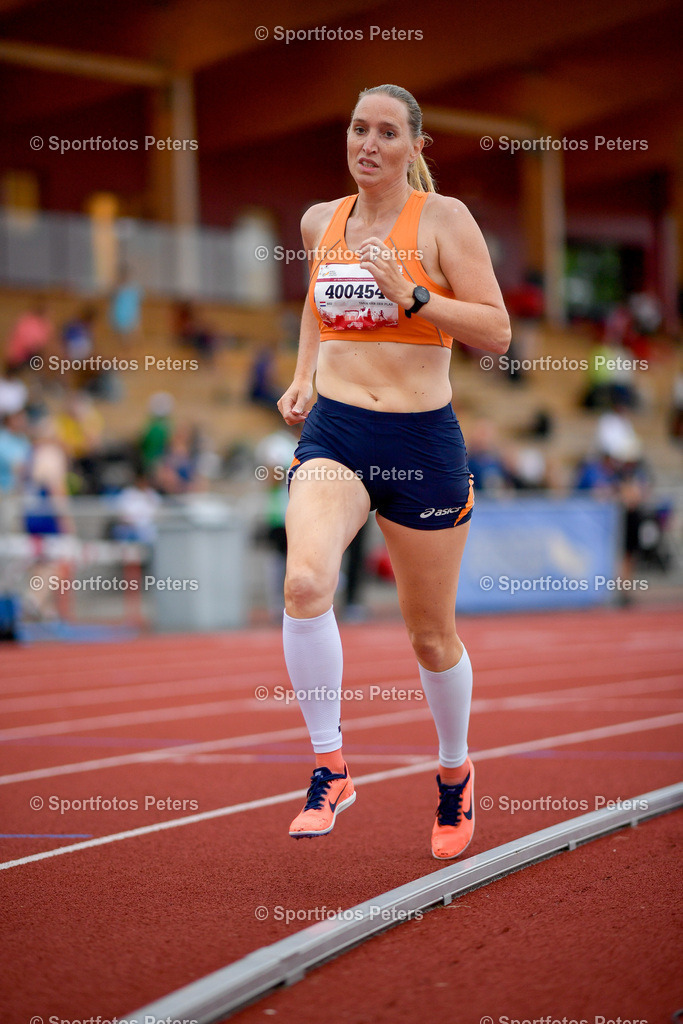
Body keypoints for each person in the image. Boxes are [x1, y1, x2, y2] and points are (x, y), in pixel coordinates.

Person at [277, 84, 511, 859]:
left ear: (415, 146)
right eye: (355, 128)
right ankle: (329, 765)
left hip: (420, 443)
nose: (366, 143)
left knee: (429, 635)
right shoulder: (321, 220)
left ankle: (453, 776)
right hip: (338, 431)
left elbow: (496, 332)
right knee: (306, 583)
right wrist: (305, 372)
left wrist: (412, 295)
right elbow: (314, 304)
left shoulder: (443, 222)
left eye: (384, 132)